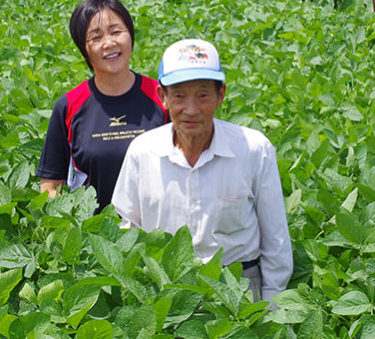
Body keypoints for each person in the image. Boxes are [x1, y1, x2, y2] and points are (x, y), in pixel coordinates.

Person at [112, 38, 293, 305]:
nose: (192, 109)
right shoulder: (142, 152)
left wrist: (273, 306)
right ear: (163, 98)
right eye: (179, 95)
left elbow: (275, 238)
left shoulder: (254, 150)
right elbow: (127, 230)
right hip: (166, 289)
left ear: (221, 94)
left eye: (203, 95)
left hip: (239, 287)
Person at [36, 0, 168, 211]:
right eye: (96, 38)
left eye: (117, 32)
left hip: (153, 234)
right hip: (93, 234)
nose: (109, 43)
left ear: (130, 36)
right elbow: (50, 186)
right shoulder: (69, 105)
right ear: (84, 50)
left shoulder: (162, 97)